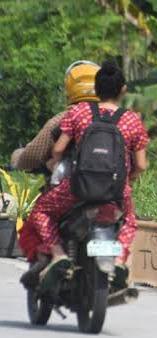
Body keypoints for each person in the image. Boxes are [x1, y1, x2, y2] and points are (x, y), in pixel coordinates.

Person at [23, 60, 149, 290]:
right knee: (129, 220)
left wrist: (57, 161)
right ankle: (119, 261)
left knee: (41, 211)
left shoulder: (78, 113)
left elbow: (59, 149)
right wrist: (126, 180)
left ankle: (59, 255)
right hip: (116, 191)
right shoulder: (132, 120)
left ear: (96, 88)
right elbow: (141, 164)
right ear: (123, 89)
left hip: (77, 188)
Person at [17, 61, 100, 275]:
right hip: (111, 190)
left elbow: (34, 153)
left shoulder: (63, 118)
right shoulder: (118, 117)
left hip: (70, 190)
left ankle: (56, 256)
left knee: (40, 215)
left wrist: (18, 158)